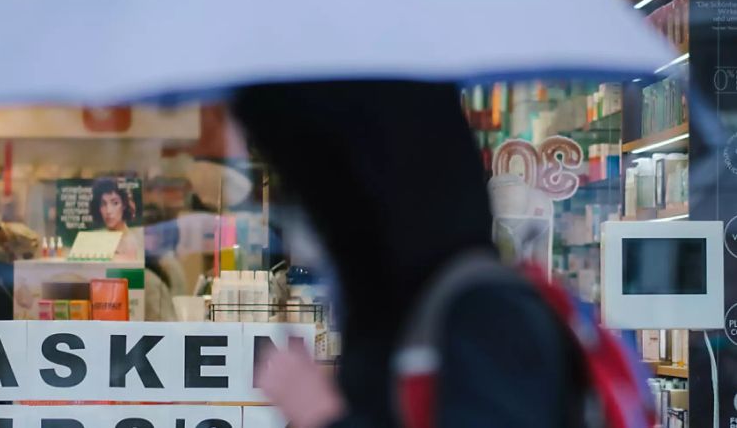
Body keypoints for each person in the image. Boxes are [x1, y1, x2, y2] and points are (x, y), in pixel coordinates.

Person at [230, 81, 585, 428]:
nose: (314, 222)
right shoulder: (401, 307)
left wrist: (319, 412)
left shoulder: (487, 314)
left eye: (319, 194)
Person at [90, 178, 143, 261]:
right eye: (103, 204)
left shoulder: (136, 240)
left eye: (115, 203)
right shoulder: (94, 240)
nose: (108, 211)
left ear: (124, 205)